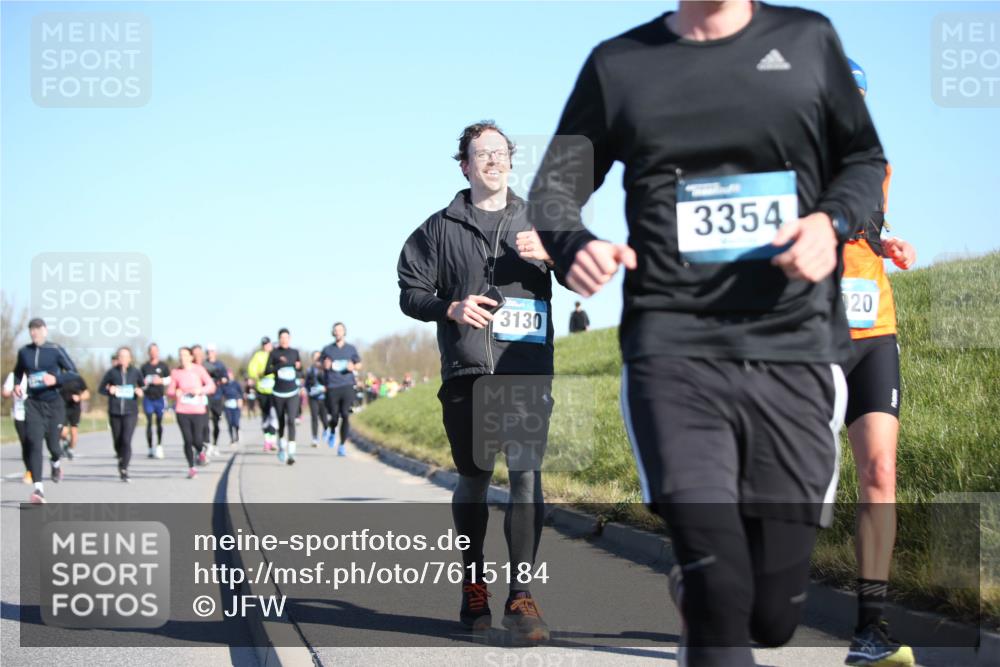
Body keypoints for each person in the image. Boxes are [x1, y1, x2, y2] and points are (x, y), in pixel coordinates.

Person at [528, 2, 886, 664]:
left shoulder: (807, 41)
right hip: (673, 351)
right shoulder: (619, 64)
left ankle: (702, 595)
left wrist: (828, 222)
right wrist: (573, 242)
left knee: (773, 615)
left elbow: (863, 161)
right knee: (720, 583)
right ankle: (704, 590)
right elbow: (553, 190)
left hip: (795, 350)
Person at [397, 120, 565, 642]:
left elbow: (585, 273)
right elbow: (409, 290)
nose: (492, 160)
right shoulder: (437, 228)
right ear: (465, 165)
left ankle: (521, 593)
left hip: (526, 370)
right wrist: (451, 306)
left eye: (500, 152)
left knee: (525, 476)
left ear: (511, 161)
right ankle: (474, 586)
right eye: (480, 154)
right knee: (474, 479)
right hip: (468, 371)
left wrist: (555, 254)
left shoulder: (542, 218)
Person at [840, 58, 916, 667]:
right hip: (804, 337)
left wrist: (890, 242)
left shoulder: (878, 166)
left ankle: (871, 629)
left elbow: (870, 232)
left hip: (874, 328)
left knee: (881, 473)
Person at [12, 318, 80, 504]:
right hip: (33, 403)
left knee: (54, 446)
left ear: (45, 331)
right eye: (31, 330)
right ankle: (38, 489)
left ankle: (56, 463)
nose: (34, 333)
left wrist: (56, 379)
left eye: (37, 330)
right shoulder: (24, 352)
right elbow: (18, 372)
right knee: (33, 443)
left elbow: (73, 372)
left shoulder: (55, 350)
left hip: (54, 403)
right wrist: (18, 385)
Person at [167, 346, 216, 479]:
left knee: (198, 440)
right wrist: (174, 393)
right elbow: (170, 391)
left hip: (198, 410)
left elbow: (211, 386)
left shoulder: (199, 370)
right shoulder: (176, 372)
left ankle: (201, 451)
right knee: (188, 440)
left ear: (190, 357)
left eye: (185, 355)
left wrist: (199, 390)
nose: (182, 358)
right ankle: (191, 467)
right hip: (182, 410)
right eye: (180, 355)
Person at [98, 347, 145, 482]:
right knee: (118, 441)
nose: (123, 359)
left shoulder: (135, 372)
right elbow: (101, 388)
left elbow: (143, 386)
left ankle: (124, 468)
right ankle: (120, 457)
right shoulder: (112, 372)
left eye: (126, 356)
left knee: (126, 440)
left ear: (130, 358)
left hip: (131, 411)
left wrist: (139, 391)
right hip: (115, 411)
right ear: (118, 358)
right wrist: (109, 390)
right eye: (121, 356)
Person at [320, 322, 361, 456]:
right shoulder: (327, 349)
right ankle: (332, 431)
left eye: (340, 330)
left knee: (345, 415)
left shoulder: (351, 349)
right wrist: (324, 365)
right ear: (333, 333)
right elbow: (319, 363)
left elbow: (359, 364)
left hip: (347, 384)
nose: (338, 332)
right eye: (336, 330)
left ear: (344, 332)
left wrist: (353, 367)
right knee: (334, 415)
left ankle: (342, 445)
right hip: (332, 385)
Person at [265, 328, 303, 464]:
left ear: (289, 339)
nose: (284, 340)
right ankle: (282, 447)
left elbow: (299, 369)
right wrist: (279, 365)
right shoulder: (274, 353)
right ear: (279, 339)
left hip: (292, 392)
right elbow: (266, 370)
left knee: (291, 420)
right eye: (282, 337)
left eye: (286, 337)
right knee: (281, 421)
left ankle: (292, 451)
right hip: (278, 393)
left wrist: (297, 367)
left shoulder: (295, 352)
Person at [140, 342, 171, 460]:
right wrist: (146, 382)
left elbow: (169, 379)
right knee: (149, 422)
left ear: (158, 352)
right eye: (151, 351)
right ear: (149, 353)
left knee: (159, 422)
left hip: (159, 398)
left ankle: (159, 446)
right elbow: (139, 382)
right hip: (148, 398)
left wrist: (161, 381)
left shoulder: (163, 366)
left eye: (155, 350)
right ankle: (149, 448)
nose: (153, 353)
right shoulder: (144, 367)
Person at [247, 337, 278, 451]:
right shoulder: (258, 355)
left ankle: (273, 440)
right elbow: (251, 369)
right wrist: (257, 374)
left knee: (274, 414)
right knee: (265, 415)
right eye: (264, 344)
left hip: (274, 390)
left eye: (268, 344)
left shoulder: (275, 354)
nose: (266, 346)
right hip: (262, 390)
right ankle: (267, 440)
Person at [2, 371, 30, 483]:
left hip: (36, 414)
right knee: (25, 444)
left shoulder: (38, 373)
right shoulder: (14, 375)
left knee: (34, 442)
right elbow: (5, 392)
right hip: (19, 414)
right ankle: (29, 470)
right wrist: (8, 391)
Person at [203, 343, 229, 456]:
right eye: (208, 351)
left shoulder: (220, 365)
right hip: (206, 396)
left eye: (212, 351)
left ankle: (215, 444)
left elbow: (226, 378)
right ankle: (207, 444)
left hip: (217, 396)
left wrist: (223, 379)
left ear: (215, 352)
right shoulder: (203, 365)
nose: (210, 354)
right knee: (204, 422)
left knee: (216, 422)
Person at [58, 371, 89, 460]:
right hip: (62, 407)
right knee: (63, 431)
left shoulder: (78, 379)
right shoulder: (60, 378)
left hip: (75, 408)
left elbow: (87, 393)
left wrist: (79, 397)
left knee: (74, 433)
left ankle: (70, 449)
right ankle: (66, 443)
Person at [304, 351, 330, 447]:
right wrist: (308, 390)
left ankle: (326, 429)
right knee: (314, 417)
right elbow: (306, 383)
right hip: (313, 397)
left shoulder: (326, 369)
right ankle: (315, 439)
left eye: (318, 357)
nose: (317, 359)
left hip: (323, 397)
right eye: (315, 357)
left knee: (324, 418)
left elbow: (330, 382)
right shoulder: (310, 370)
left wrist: (326, 388)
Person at [219, 369, 244, 445]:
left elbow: (241, 393)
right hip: (227, 406)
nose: (228, 376)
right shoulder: (224, 385)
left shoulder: (236, 384)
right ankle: (232, 439)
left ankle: (237, 435)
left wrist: (240, 400)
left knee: (235, 422)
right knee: (229, 423)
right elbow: (220, 394)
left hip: (236, 405)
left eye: (229, 374)